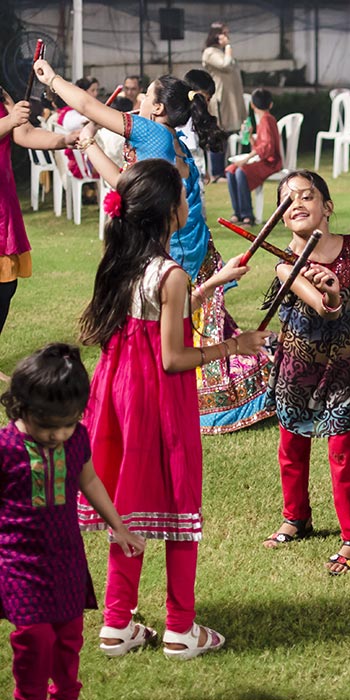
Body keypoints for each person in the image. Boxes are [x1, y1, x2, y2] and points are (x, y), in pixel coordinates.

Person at [76, 159, 270, 659]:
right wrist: (237, 343)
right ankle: (181, 629)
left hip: (117, 397)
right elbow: (173, 357)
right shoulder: (173, 274)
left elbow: (151, 318)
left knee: (131, 505)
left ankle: (117, 625)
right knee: (179, 499)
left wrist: (213, 284)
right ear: (166, 212)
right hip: (157, 400)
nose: (189, 203)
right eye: (183, 196)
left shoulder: (121, 260)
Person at [34, 59, 276, 435]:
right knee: (179, 324)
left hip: (169, 249)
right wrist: (90, 145)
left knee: (158, 330)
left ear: (158, 109)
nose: (139, 99)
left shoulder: (151, 132)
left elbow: (85, 105)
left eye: (145, 95)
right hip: (189, 243)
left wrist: (51, 79)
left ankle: (177, 395)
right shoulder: (174, 142)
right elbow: (125, 187)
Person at [261, 171, 350, 575]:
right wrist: (333, 294)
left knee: (341, 449)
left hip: (343, 363)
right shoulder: (286, 265)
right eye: (288, 201)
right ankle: (295, 517)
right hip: (298, 364)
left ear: (327, 206)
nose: (298, 204)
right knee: (292, 444)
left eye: (307, 195)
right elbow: (326, 308)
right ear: (281, 217)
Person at [1, 344, 146, 699]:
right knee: (35, 636)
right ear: (23, 408)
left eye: (67, 425)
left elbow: (90, 480)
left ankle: (66, 691)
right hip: (18, 560)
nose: (58, 435)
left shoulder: (76, 439)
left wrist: (119, 525)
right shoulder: (5, 447)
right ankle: (30, 694)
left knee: (68, 636)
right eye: (48, 427)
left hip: (65, 556)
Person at [0, 89, 79, 339]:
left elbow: (25, 133)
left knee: (5, 286)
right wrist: (10, 120)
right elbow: (12, 123)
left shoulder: (1, 96)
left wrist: (63, 140)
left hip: (3, 203)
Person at [225, 88, 281, 224]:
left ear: (252, 105)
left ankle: (247, 215)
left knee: (240, 172)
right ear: (271, 104)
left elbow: (266, 147)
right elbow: (260, 146)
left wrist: (246, 159)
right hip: (264, 160)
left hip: (271, 163)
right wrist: (250, 136)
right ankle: (237, 213)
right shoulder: (263, 121)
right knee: (230, 170)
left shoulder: (267, 120)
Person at [202, 21, 245, 180]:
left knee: (225, 134)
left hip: (230, 98)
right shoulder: (210, 52)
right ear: (216, 35)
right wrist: (228, 47)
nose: (227, 36)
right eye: (224, 33)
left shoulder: (220, 51)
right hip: (220, 99)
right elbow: (226, 65)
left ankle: (223, 170)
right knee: (217, 134)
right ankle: (216, 172)